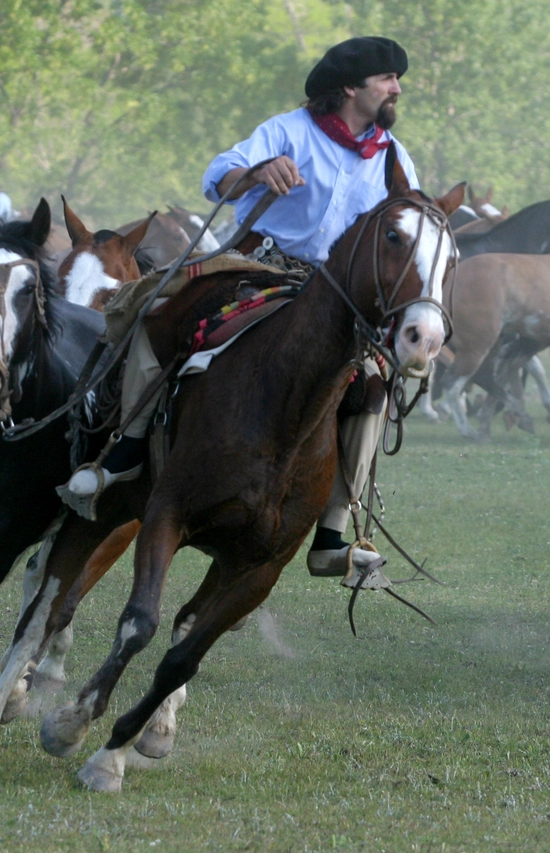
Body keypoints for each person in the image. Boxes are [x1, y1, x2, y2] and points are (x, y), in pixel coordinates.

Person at [59, 36, 418, 587]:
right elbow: (218, 175)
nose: (397, 87)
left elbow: (408, 228)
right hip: (260, 266)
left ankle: (332, 532)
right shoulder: (288, 131)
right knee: (156, 313)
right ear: (351, 87)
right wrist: (254, 174)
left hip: (339, 296)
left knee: (373, 382)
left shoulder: (394, 155)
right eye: (387, 78)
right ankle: (123, 450)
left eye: (396, 78)